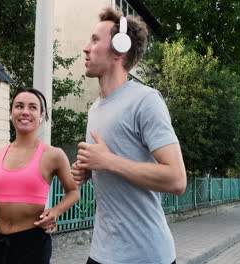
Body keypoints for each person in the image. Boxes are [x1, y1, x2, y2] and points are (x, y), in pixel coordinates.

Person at [71, 8, 187, 264]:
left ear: (118, 49)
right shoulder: (95, 109)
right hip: (102, 252)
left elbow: (177, 180)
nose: (86, 48)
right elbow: (114, 164)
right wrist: (90, 170)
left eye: (94, 40)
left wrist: (108, 162)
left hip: (145, 255)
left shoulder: (145, 100)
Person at [0, 87, 79, 264]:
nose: (25, 112)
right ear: (10, 113)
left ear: (41, 116)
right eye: (19, 106)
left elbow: (73, 191)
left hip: (33, 244)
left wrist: (55, 211)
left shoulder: (53, 155)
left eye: (32, 107)